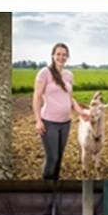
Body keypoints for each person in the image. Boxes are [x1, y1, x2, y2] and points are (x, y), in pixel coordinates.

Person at [32, 43, 91, 180]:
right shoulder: (44, 73)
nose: (61, 57)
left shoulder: (69, 75)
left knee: (59, 158)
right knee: (52, 158)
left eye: (64, 54)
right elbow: (37, 96)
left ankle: (55, 186)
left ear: (67, 57)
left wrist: (80, 112)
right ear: (53, 55)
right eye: (58, 54)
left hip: (66, 122)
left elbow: (70, 98)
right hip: (49, 122)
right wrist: (38, 120)